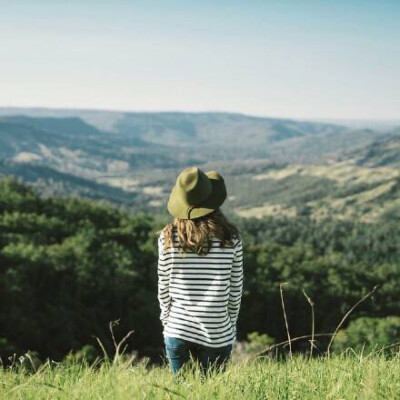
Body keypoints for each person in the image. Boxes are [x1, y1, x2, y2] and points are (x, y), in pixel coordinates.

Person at [157, 166, 244, 377]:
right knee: (212, 393)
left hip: (177, 328)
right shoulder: (231, 239)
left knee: (183, 393)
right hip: (217, 331)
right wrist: (229, 324)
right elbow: (235, 290)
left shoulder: (168, 237)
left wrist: (167, 320)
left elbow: (164, 286)